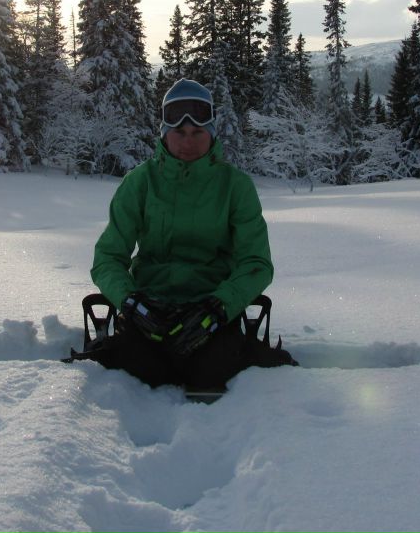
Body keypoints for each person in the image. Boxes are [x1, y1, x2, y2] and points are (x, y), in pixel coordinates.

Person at [87, 78, 296, 393]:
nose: (188, 142)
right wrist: (131, 303)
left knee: (211, 376)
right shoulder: (139, 183)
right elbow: (108, 258)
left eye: (198, 132)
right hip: (149, 311)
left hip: (211, 312)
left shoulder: (235, 186)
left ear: (211, 133)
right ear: (164, 134)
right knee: (141, 375)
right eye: (179, 133)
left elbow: (256, 263)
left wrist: (218, 309)